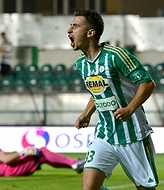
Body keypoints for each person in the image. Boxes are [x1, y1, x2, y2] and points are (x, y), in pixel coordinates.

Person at [67, 9, 158, 190]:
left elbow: (148, 83)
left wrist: (130, 108)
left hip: (133, 134)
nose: (69, 30)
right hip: (105, 135)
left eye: (75, 26)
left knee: (146, 188)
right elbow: (98, 91)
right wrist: (86, 114)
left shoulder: (115, 55)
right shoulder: (81, 64)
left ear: (90, 33)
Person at [0, 117, 85, 177]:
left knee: (42, 156)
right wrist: (23, 152)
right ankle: (74, 164)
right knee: (41, 152)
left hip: (4, 171)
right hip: (9, 170)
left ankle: (74, 165)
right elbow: (6, 159)